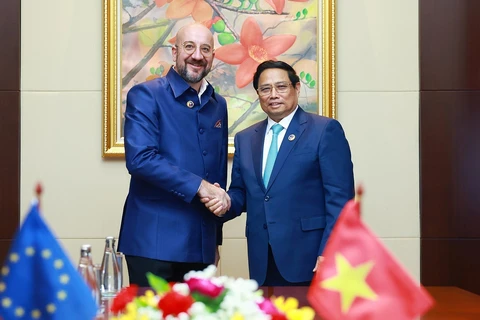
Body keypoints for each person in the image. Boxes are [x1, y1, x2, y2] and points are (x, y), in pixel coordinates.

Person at [203, 60, 354, 286]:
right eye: (265, 89)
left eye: (281, 87)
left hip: (310, 258)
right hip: (262, 258)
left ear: (297, 88)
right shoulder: (246, 138)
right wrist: (221, 200)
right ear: (258, 94)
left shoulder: (324, 130)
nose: (273, 94)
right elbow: (241, 193)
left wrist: (329, 251)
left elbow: (341, 201)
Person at [118, 23, 230, 286]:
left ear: (213, 55)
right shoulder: (146, 94)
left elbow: (217, 175)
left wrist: (215, 240)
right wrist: (200, 187)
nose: (197, 55)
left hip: (201, 245)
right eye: (189, 47)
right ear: (174, 51)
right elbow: (140, 159)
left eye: (205, 49)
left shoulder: (218, 104)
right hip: (153, 244)